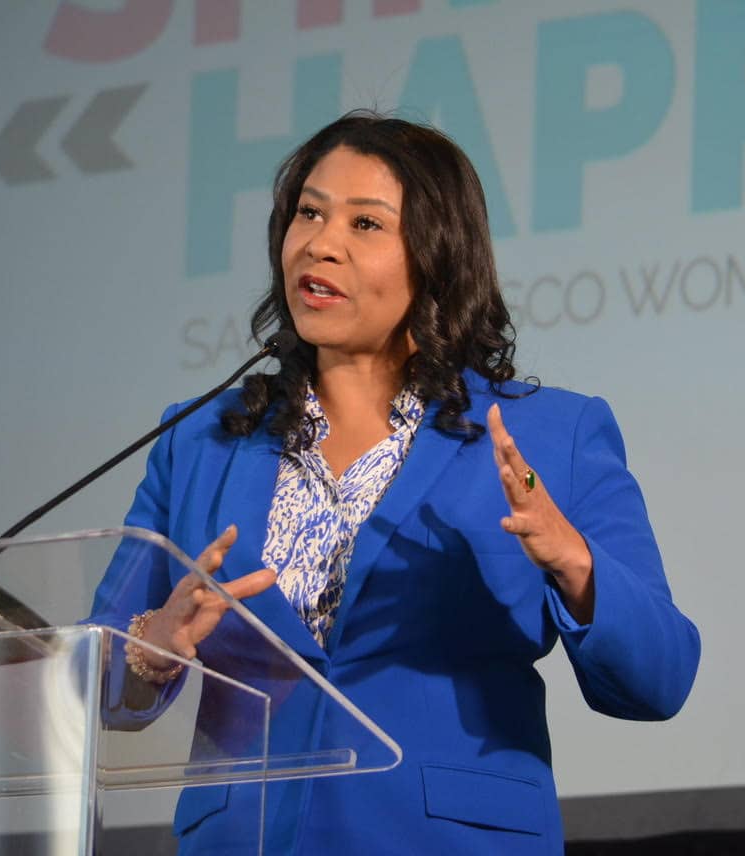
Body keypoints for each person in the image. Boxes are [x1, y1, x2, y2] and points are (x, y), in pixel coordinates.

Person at [90, 111, 700, 854]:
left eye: (366, 225)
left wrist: (574, 562)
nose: (321, 243)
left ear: (436, 258)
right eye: (308, 213)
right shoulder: (199, 441)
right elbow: (93, 685)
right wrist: (153, 647)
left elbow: (661, 679)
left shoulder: (551, 436)